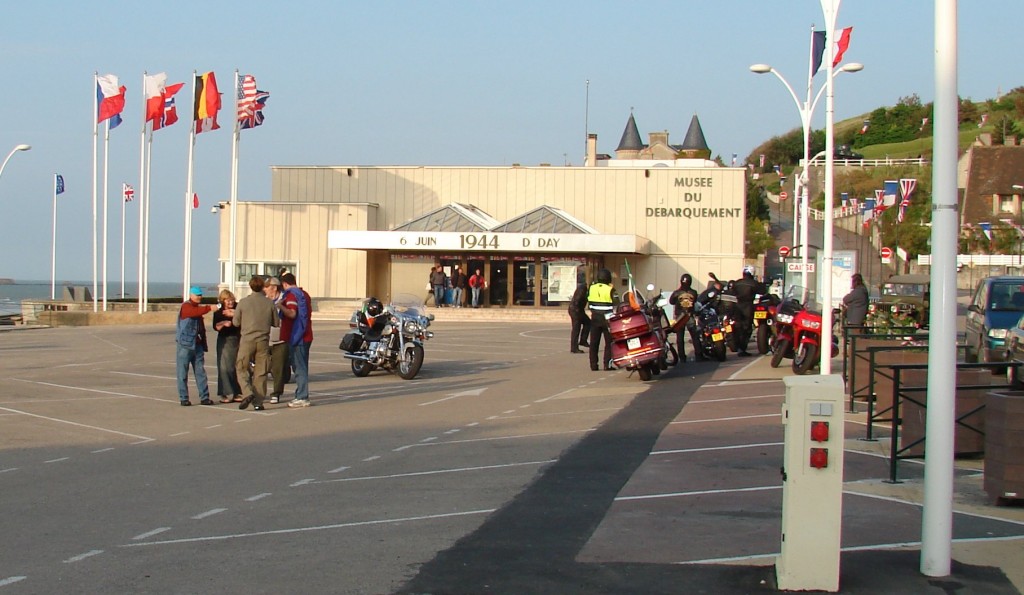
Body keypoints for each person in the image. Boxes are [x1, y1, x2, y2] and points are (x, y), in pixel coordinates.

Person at [234, 275, 278, 411]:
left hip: (247, 339)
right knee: (261, 371)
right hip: (263, 340)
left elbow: (236, 322)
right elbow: (276, 323)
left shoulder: (243, 302)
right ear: (262, 287)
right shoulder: (269, 303)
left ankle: (247, 392)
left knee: (241, 367)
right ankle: (258, 402)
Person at [176, 286, 216, 406]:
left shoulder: (198, 309)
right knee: (182, 373)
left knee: (200, 372)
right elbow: (192, 313)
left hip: (197, 345)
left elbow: (201, 328)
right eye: (197, 295)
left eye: (200, 295)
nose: (199, 297)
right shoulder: (186, 306)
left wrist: (204, 343)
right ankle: (184, 398)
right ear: (191, 295)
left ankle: (204, 397)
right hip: (185, 345)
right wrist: (209, 308)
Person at [279, 272, 314, 408]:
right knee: (302, 365)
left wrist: (280, 306)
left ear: (284, 284)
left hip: (297, 336)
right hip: (306, 334)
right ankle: (301, 394)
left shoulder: (291, 295)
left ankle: (302, 396)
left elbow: (292, 313)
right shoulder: (304, 294)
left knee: (299, 367)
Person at [263, 277, 291, 404]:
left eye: (266, 287)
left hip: (280, 339)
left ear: (274, 288)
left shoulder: (285, 299)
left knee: (278, 368)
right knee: (262, 367)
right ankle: (259, 392)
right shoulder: (263, 301)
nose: (264, 289)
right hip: (264, 338)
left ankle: (276, 393)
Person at [213, 289, 243, 404]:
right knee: (224, 367)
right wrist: (224, 323)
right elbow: (216, 327)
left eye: (232, 300)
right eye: (227, 300)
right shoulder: (219, 312)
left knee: (238, 366)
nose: (230, 302)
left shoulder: (238, 307)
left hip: (238, 338)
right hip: (225, 340)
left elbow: (246, 316)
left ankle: (237, 392)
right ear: (223, 301)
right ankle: (225, 392)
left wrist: (234, 313)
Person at [586, 268, 618, 371]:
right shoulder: (610, 289)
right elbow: (617, 302)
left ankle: (593, 365)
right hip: (607, 319)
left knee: (594, 342)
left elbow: (588, 298)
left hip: (595, 317)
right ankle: (607, 364)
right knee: (609, 342)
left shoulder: (592, 287)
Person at [732, 266, 767, 357]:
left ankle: (736, 346)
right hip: (748, 306)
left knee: (737, 326)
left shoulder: (737, 283)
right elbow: (763, 291)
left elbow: (732, 293)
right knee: (746, 328)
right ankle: (742, 348)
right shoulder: (753, 283)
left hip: (737, 306)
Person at [668, 273, 701, 362]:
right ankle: (698, 355)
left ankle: (682, 357)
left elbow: (671, 301)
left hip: (679, 317)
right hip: (689, 316)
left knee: (680, 338)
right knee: (695, 336)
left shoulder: (676, 293)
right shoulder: (693, 292)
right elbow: (695, 301)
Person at [568, 282, 591, 353]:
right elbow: (577, 300)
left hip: (579, 310)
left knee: (588, 323)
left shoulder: (584, 289)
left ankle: (583, 340)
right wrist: (578, 311)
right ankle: (574, 348)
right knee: (576, 329)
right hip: (575, 310)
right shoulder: (582, 289)